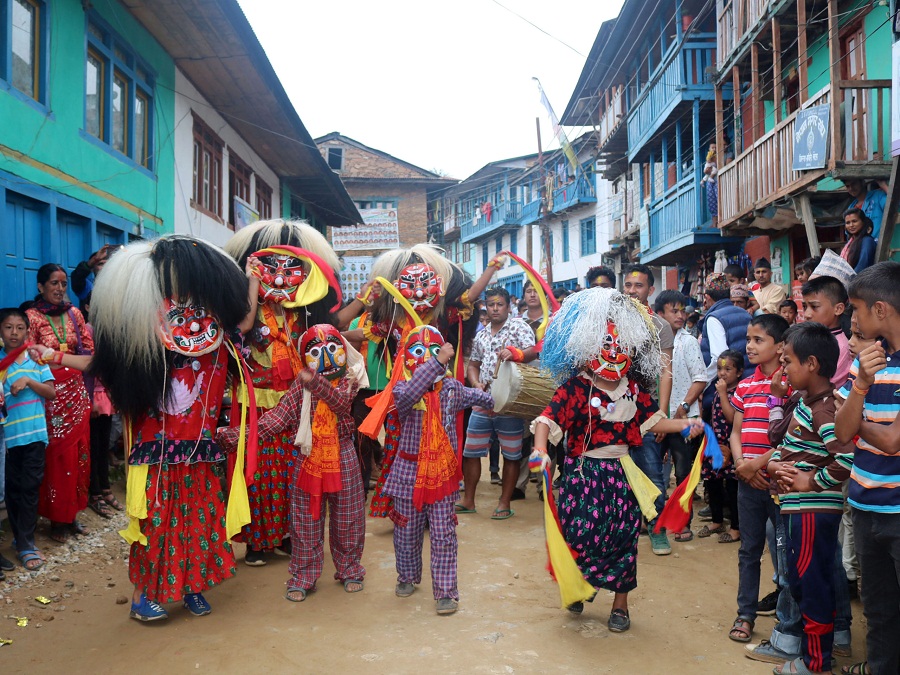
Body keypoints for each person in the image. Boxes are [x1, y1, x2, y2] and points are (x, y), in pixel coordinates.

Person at [88, 236, 252, 622]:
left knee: (202, 522)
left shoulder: (219, 344)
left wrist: (254, 282)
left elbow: (242, 320)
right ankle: (144, 595)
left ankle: (192, 586)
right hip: (157, 455)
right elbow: (103, 360)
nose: (190, 312)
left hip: (201, 451)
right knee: (156, 524)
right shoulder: (143, 346)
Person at [531, 288, 704, 632]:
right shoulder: (574, 389)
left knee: (624, 538)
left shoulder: (633, 390)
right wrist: (539, 450)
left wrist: (687, 423)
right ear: (586, 348)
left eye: (620, 348)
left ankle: (620, 606)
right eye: (605, 346)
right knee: (581, 535)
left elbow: (654, 421)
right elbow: (547, 420)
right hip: (582, 476)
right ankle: (579, 586)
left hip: (622, 476)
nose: (613, 354)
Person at [224, 219, 344, 566]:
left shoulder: (299, 314)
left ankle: (289, 536)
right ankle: (259, 542)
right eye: (269, 272)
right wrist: (252, 277)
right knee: (259, 473)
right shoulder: (251, 311)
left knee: (293, 471)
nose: (278, 279)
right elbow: (244, 326)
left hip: (294, 403)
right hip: (259, 402)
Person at [219, 325, 367, 602]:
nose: (326, 357)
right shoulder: (301, 386)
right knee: (305, 522)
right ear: (303, 357)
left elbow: (341, 404)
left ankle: (350, 569)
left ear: (344, 351)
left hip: (343, 453)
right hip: (307, 456)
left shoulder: (350, 376)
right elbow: (276, 420)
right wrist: (238, 437)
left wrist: (313, 382)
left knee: (348, 518)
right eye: (316, 351)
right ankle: (303, 575)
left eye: (333, 348)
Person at [766, 323, 855, 675]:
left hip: (811, 511)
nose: (783, 369)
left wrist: (810, 481)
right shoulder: (807, 402)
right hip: (800, 510)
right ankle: (814, 654)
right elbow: (787, 446)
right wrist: (775, 464)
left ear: (813, 364)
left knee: (812, 584)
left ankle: (816, 663)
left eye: (788, 362)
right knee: (806, 581)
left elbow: (845, 458)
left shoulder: (825, 409)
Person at [386, 326, 493, 615]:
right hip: (408, 473)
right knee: (406, 532)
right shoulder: (401, 389)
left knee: (444, 534)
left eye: (434, 351)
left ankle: (446, 592)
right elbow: (410, 394)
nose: (428, 359)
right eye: (418, 352)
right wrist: (438, 360)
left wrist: (496, 396)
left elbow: (480, 399)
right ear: (406, 358)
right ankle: (407, 577)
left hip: (442, 476)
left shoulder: (451, 388)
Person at [835, 262, 900, 675]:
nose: (852, 320)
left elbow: (893, 442)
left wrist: (856, 418)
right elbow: (841, 433)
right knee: (878, 612)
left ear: (879, 310)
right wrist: (860, 386)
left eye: (855, 309)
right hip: (865, 506)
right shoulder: (870, 363)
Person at [727, 314, 790, 644]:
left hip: (778, 484)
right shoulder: (747, 385)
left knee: (785, 553)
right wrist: (741, 464)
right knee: (748, 551)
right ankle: (745, 613)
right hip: (747, 482)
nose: (749, 346)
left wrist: (757, 465)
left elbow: (790, 438)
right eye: (749, 339)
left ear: (780, 346)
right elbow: (735, 432)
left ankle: (787, 619)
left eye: (758, 340)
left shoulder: (789, 385)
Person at [23, 263, 93, 544]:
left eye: (64, 284)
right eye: (54, 283)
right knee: (56, 458)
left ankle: (72, 513)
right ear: (41, 287)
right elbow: (27, 355)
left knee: (79, 455)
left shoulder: (75, 313)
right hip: (51, 396)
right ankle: (56, 519)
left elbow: (88, 350)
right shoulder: (31, 317)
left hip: (77, 392)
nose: (60, 289)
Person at [457, 286, 535, 520]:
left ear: (508, 307)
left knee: (510, 455)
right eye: (490, 305)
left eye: (499, 304)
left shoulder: (519, 326)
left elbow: (533, 351)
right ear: (486, 307)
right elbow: (473, 365)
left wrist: (516, 354)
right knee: (471, 452)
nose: (495, 308)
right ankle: (468, 500)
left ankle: (504, 503)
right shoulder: (481, 334)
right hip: (483, 400)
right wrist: (474, 383)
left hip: (511, 401)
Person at [622, 264, 674, 555]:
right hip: (613, 408)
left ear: (650, 290)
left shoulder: (660, 327)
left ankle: (657, 530)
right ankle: (623, 532)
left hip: (646, 411)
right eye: (628, 285)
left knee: (653, 472)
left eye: (638, 286)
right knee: (616, 473)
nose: (632, 291)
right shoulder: (609, 322)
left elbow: (666, 372)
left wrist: (661, 413)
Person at [0, 308, 55, 572]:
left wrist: (28, 381)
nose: (14, 333)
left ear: (27, 331)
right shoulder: (0, 363)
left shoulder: (36, 360)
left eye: (20, 327)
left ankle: (26, 542)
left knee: (31, 488)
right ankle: (19, 538)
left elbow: (51, 392)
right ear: (1, 331)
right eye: (9, 327)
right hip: (8, 439)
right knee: (12, 489)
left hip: (34, 435)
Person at [654, 290, 707, 542]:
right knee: (653, 470)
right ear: (660, 314)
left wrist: (683, 407)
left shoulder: (688, 341)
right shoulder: (653, 342)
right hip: (656, 417)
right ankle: (654, 519)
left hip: (684, 418)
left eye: (681, 310)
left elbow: (700, 378)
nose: (679, 315)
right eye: (673, 311)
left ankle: (683, 523)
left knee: (684, 472)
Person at [700, 349, 742, 544]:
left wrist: (723, 393)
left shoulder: (738, 391)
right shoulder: (717, 388)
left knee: (733, 487)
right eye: (719, 368)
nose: (722, 372)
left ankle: (736, 527)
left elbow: (730, 417)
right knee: (712, 482)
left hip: (732, 447)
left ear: (739, 372)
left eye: (728, 368)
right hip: (715, 444)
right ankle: (717, 521)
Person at [700, 272, 751, 410]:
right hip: (747, 384)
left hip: (727, 391)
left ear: (707, 297)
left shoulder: (714, 318)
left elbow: (719, 357)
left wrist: (701, 385)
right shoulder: (745, 313)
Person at [801, 276, 852, 388]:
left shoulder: (841, 347)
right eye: (805, 307)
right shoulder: (809, 338)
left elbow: (824, 386)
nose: (807, 314)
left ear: (838, 309)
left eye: (814, 306)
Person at [840, 208, 876, 274]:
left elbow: (862, 266)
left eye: (854, 221)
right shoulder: (851, 242)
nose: (851, 225)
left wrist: (849, 281)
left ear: (863, 222)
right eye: (848, 223)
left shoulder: (867, 241)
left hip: (862, 280)